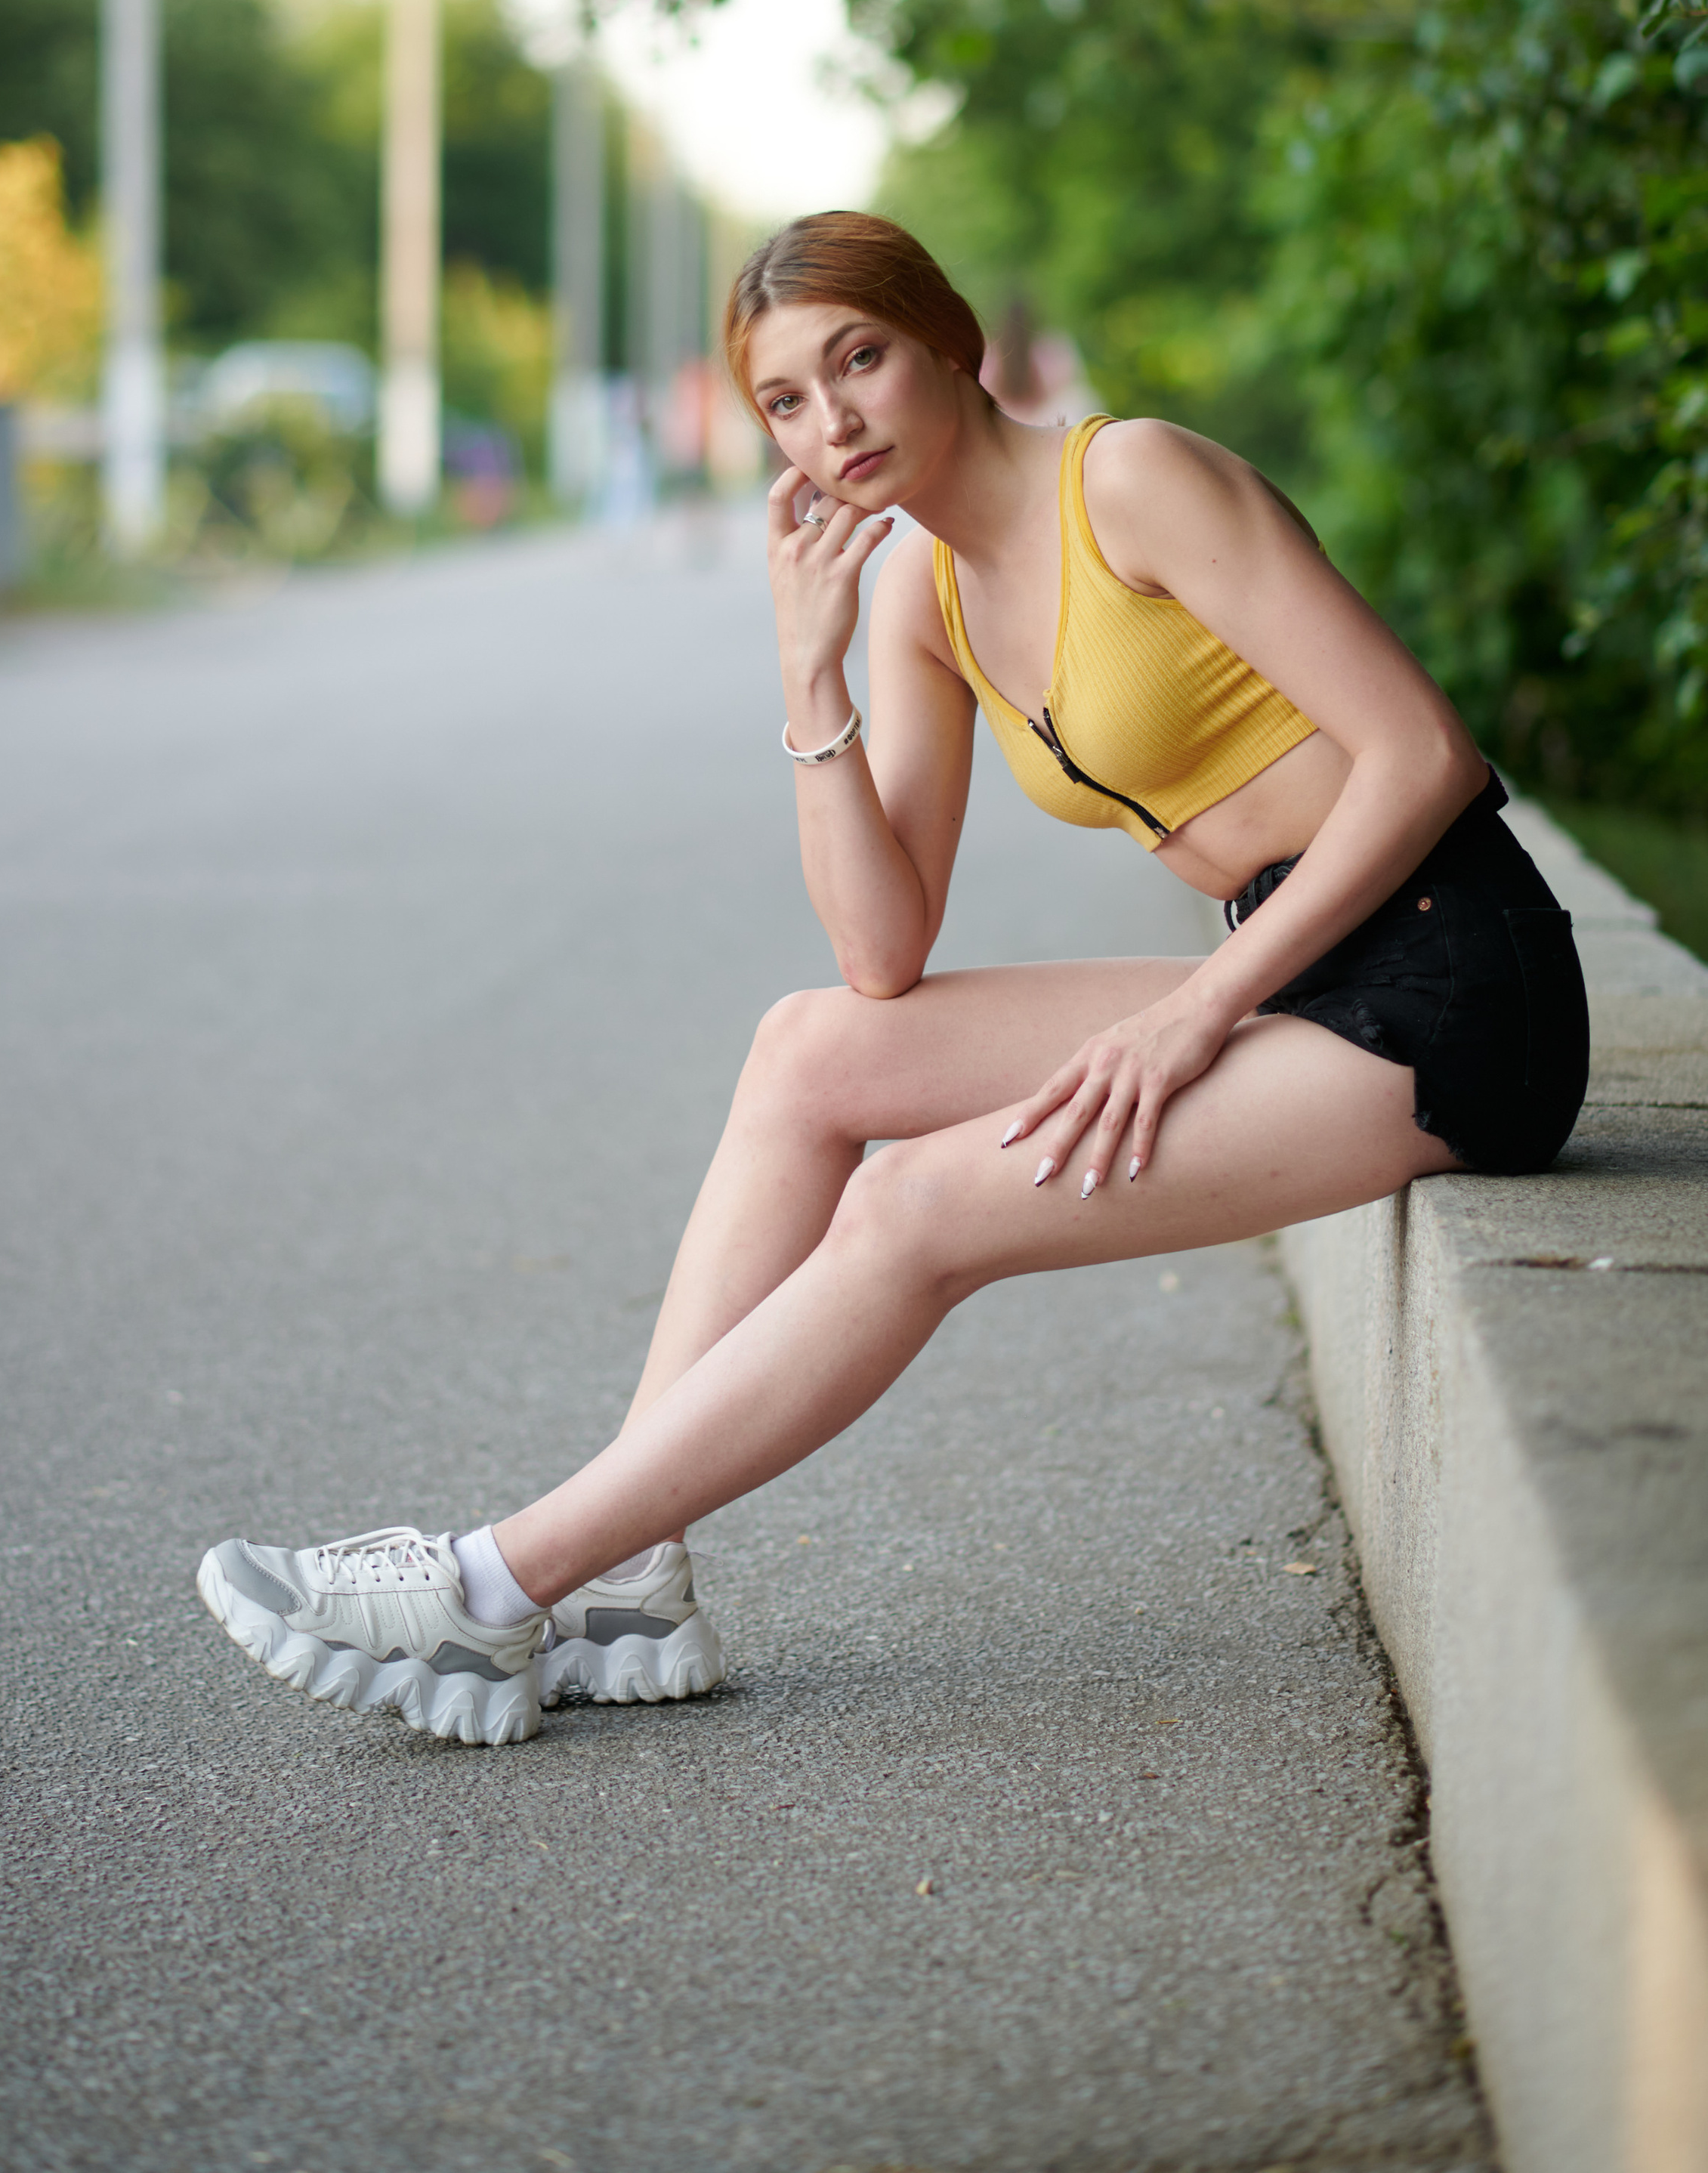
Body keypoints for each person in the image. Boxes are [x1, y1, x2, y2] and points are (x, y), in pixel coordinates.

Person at [198, 212, 1589, 1747]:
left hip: (1456, 980)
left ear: (946, 342)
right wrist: (811, 674)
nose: (831, 419)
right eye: (784, 400)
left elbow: (1421, 754)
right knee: (806, 1051)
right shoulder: (920, 596)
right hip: (1306, 958)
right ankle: (630, 1578)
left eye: (855, 359)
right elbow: (879, 957)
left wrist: (1189, 1014)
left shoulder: (1129, 481)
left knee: (917, 1205)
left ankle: (490, 1584)